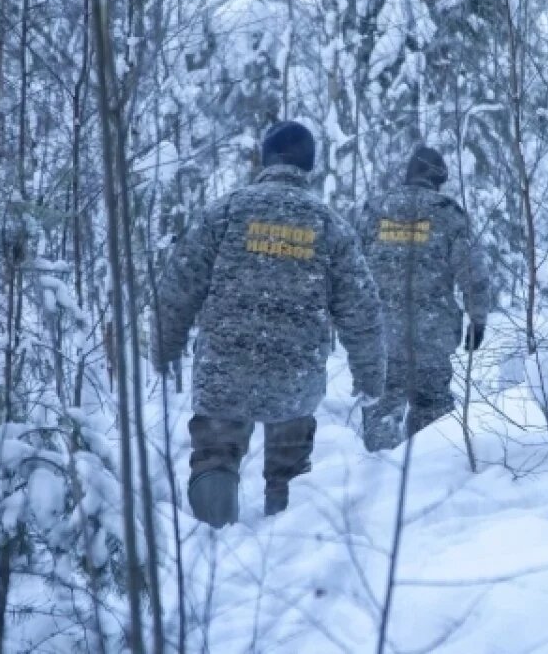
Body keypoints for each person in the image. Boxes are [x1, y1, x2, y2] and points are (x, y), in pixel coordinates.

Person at [151, 122, 385, 526]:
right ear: (308, 166)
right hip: (294, 370)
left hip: (226, 364)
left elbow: (178, 287)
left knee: (215, 457)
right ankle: (284, 550)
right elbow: (361, 309)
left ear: (265, 159)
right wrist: (370, 376)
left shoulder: (225, 212)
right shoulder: (328, 225)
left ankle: (214, 547)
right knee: (290, 470)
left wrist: (164, 346)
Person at [359, 145, 493, 451]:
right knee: (432, 415)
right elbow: (473, 273)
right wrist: (478, 319)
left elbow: (352, 269)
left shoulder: (376, 211)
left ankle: (377, 477)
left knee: (381, 408)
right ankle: (427, 475)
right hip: (430, 337)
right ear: (440, 179)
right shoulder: (448, 214)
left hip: (381, 336)